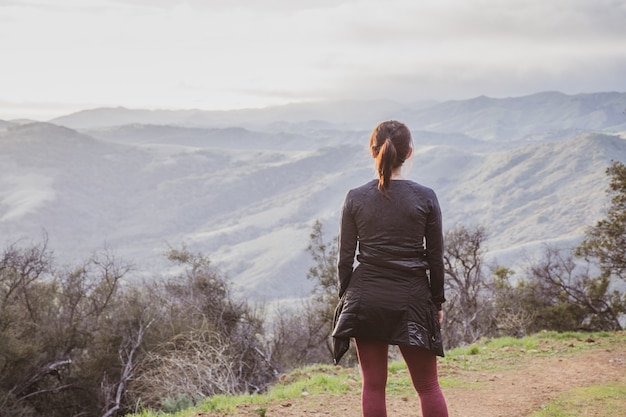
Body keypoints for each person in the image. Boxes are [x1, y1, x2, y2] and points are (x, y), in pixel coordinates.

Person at [332, 120, 448, 417]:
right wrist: (437, 301)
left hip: (366, 298)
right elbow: (435, 258)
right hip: (412, 298)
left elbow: (345, 259)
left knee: (373, 386)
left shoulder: (355, 197)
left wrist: (348, 299)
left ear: (372, 152)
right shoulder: (425, 197)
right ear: (409, 153)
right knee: (427, 387)